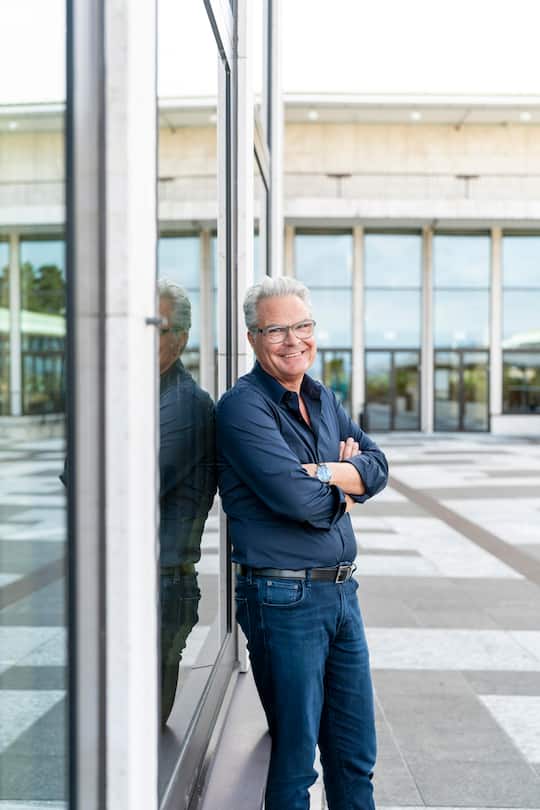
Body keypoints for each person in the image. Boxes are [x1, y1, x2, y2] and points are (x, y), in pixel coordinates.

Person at [216, 276, 388, 809]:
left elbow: (378, 466)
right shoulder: (242, 408)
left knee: (355, 755)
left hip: (341, 595)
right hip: (282, 600)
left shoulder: (323, 396)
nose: (294, 340)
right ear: (252, 338)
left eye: (303, 326)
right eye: (277, 330)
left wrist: (328, 471)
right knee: (294, 762)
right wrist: (345, 486)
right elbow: (301, 503)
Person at [158, 279, 216, 726]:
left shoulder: (185, 406)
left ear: (178, 339)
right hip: (131, 581)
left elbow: (122, 489)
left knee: (140, 733)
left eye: (152, 329)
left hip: (162, 587)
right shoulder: (137, 398)